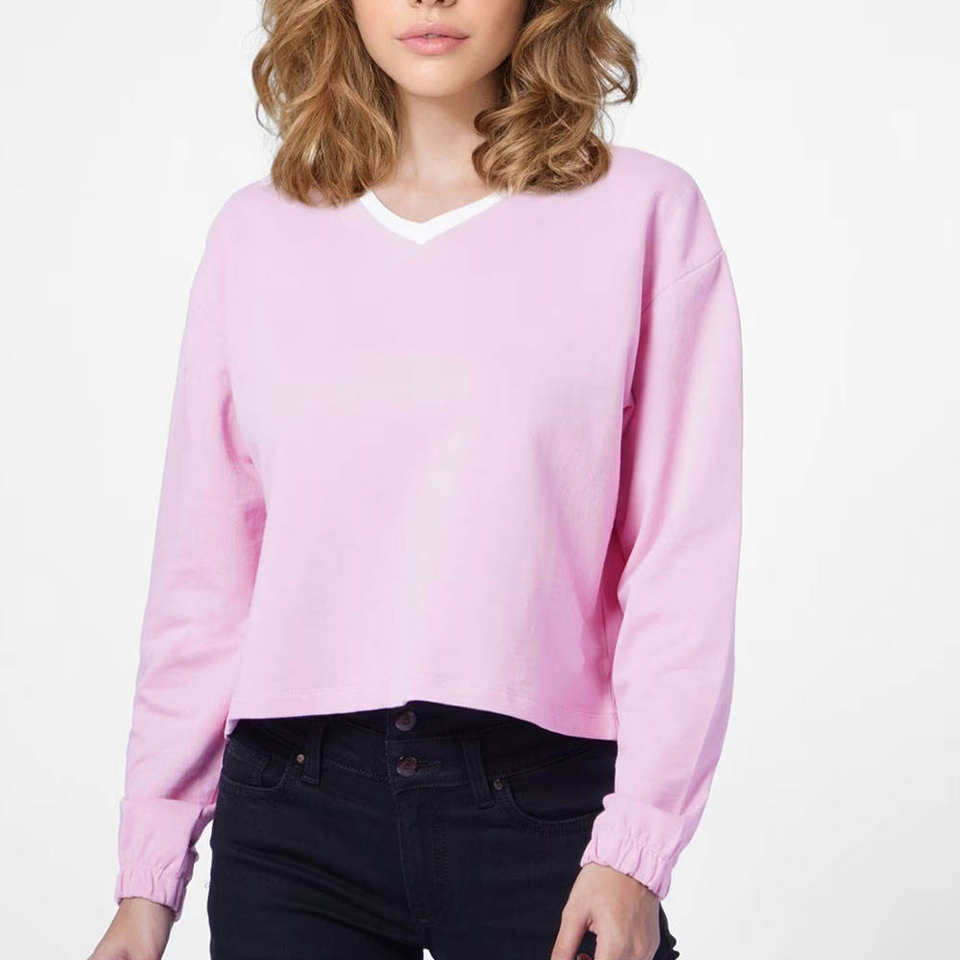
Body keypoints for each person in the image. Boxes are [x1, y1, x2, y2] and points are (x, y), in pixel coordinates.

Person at [89, 1, 743, 959]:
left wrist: (637, 849)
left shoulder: (644, 214)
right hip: (294, 817)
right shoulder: (256, 236)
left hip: (547, 811)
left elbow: (679, 561)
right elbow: (206, 578)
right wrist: (149, 880)